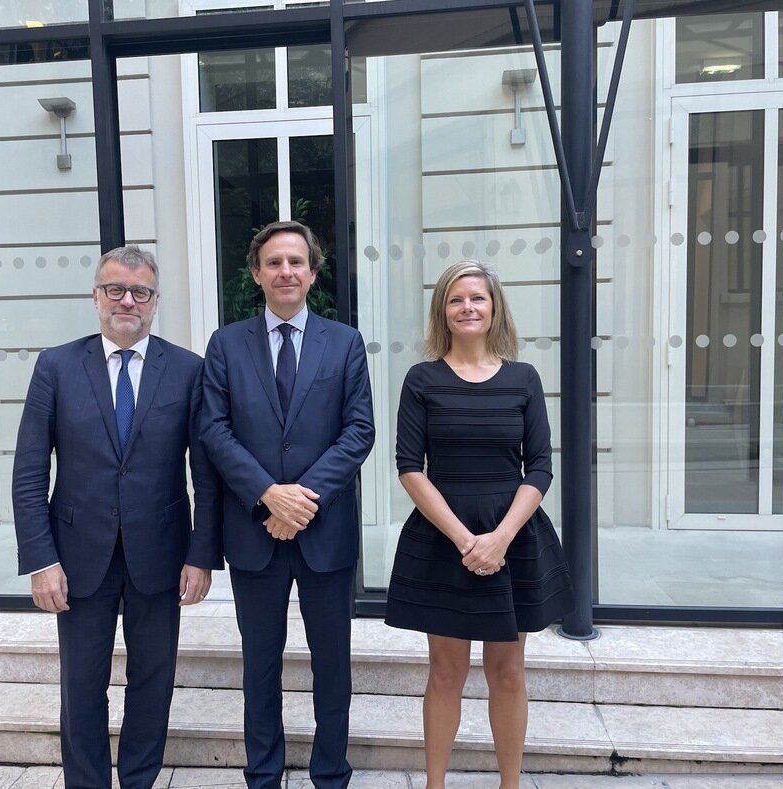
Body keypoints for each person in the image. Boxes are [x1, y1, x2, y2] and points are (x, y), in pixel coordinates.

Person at [12, 245, 222, 789]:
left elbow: (206, 472)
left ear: (155, 301)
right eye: (115, 289)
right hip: (78, 559)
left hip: (161, 556)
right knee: (81, 685)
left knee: (153, 682)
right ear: (96, 297)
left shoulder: (188, 370)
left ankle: (139, 781)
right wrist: (41, 559)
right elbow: (30, 472)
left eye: (141, 292)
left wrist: (202, 555)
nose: (127, 300)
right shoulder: (56, 366)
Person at [384, 260, 574, 789]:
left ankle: (510, 784)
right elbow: (408, 465)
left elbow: (539, 466)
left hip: (512, 534)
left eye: (478, 299)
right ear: (442, 311)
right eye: (456, 299)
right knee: (445, 673)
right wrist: (467, 540)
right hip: (444, 535)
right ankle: (435, 784)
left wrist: (501, 538)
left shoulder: (523, 378)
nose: (468, 307)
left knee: (508, 672)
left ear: (494, 310)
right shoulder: (422, 379)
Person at [199, 220, 375, 789]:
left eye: (296, 262)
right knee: (261, 667)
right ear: (256, 274)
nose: (286, 272)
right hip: (254, 532)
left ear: (313, 272)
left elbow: (358, 431)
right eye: (273, 263)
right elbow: (215, 430)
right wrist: (267, 494)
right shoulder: (225, 344)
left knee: (332, 667)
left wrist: (301, 499)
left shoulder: (344, 342)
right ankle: (263, 775)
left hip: (326, 535)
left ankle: (331, 774)